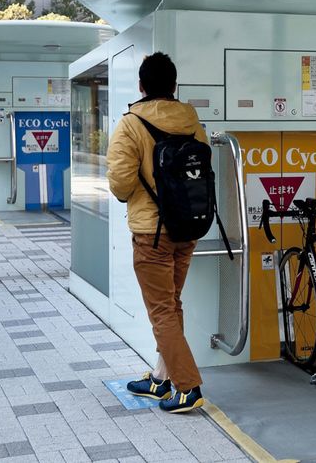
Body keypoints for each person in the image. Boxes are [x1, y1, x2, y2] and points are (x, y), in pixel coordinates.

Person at [107, 52, 208, 414]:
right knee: (172, 304)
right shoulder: (193, 123)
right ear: (174, 86)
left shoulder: (131, 125)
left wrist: (136, 192)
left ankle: (187, 386)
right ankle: (161, 377)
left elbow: (120, 184)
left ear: (141, 86)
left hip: (152, 232)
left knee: (162, 311)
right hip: (188, 228)